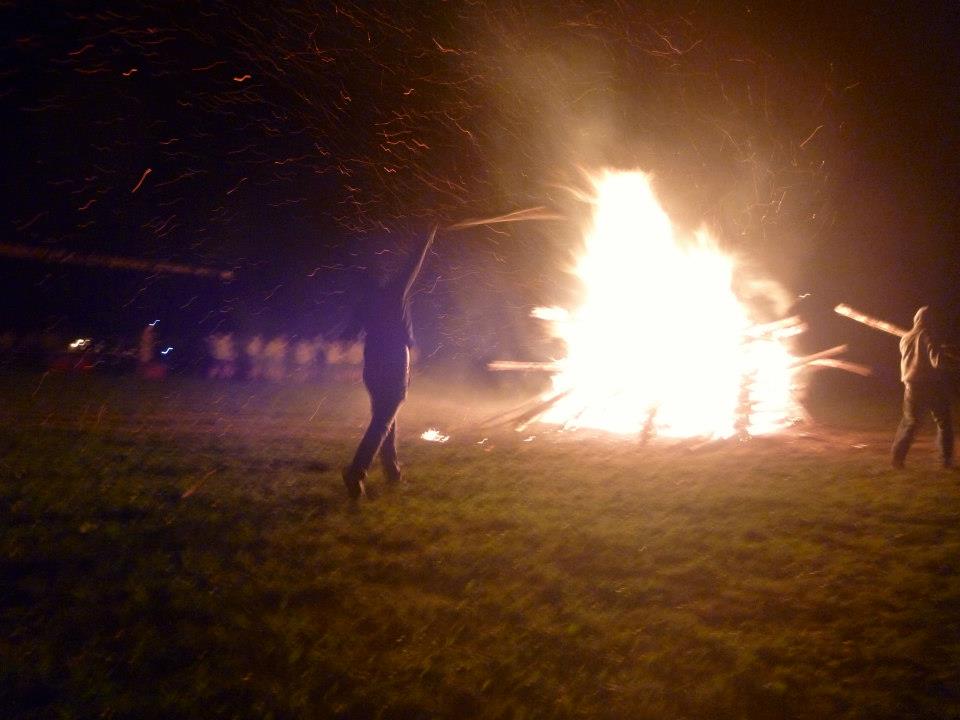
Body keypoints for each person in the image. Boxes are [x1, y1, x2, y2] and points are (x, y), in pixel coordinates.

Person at [342, 224, 438, 499]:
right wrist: (428, 233)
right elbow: (414, 262)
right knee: (384, 418)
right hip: (395, 357)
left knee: (385, 414)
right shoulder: (394, 292)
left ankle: (392, 470)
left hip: (372, 360)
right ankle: (356, 471)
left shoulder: (365, 302)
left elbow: (348, 334)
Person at [891, 306, 954, 469]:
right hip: (930, 384)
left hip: (911, 385)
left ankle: (897, 459)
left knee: (910, 423)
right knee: (944, 422)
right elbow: (937, 362)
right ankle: (945, 460)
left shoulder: (905, 338)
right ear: (929, 320)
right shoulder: (928, 335)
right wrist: (948, 358)